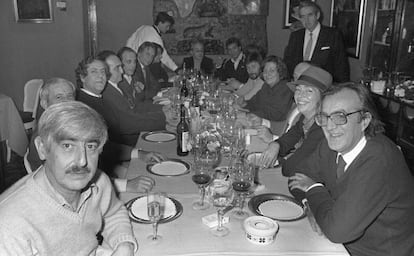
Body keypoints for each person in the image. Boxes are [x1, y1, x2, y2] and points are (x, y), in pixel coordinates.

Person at [288, 83, 414, 255]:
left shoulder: (379, 159)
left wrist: (313, 188)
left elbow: (337, 231)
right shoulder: (329, 146)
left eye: (340, 116)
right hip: (337, 247)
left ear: (364, 121)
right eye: (324, 117)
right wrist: (310, 205)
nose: (330, 127)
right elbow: (296, 176)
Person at [0, 101, 137, 255]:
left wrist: (124, 244)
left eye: (90, 146)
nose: (82, 161)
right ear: (42, 149)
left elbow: (113, 213)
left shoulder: (99, 182)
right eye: (67, 146)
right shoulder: (8, 226)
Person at [77, 55, 168, 147]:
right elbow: (126, 125)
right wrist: (167, 119)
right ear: (82, 77)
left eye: (103, 71)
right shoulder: (83, 105)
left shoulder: (99, 98)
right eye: (94, 72)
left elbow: (134, 110)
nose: (100, 76)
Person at [260, 66, 332, 178]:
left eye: (309, 91)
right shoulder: (305, 118)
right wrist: (276, 144)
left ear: (323, 98)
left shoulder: (322, 127)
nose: (300, 95)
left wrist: (281, 160)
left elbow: (290, 169)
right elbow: (291, 136)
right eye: (298, 89)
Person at [284, 1, 349, 82]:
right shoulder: (296, 36)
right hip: (300, 84)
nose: (306, 20)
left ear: (317, 15)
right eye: (303, 17)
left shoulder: (333, 35)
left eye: (310, 15)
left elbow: (341, 66)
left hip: (324, 85)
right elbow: (288, 62)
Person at [239, 55, 294, 122]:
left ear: (280, 72)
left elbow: (275, 115)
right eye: (265, 71)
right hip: (259, 122)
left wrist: (247, 114)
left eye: (272, 71)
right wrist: (244, 103)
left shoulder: (285, 89)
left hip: (273, 128)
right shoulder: (266, 86)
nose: (267, 74)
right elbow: (254, 103)